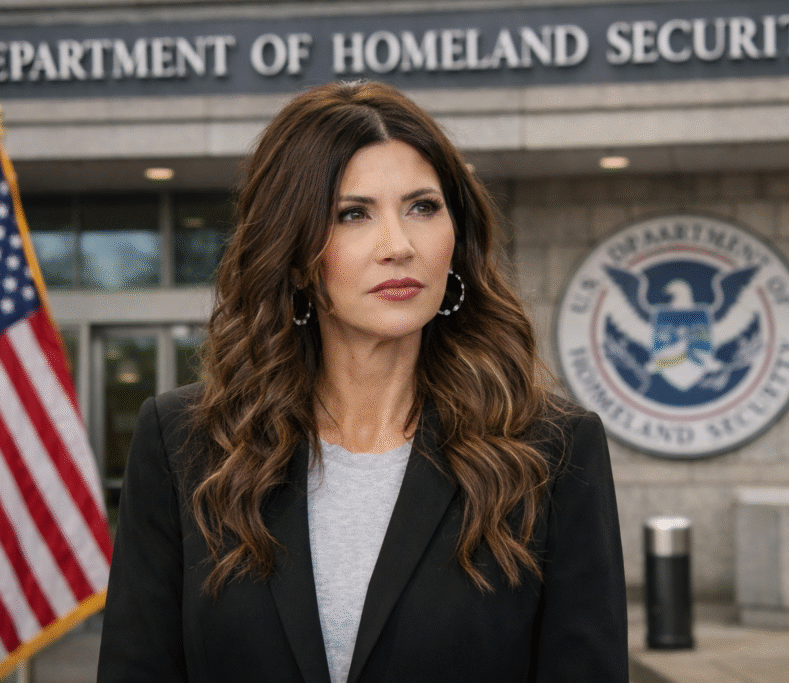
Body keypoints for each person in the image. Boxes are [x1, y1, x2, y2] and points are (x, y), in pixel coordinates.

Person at [97, 80, 627, 683]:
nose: (398, 246)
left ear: (457, 238)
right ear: (293, 254)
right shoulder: (184, 444)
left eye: (423, 207)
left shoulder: (552, 452)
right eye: (353, 214)